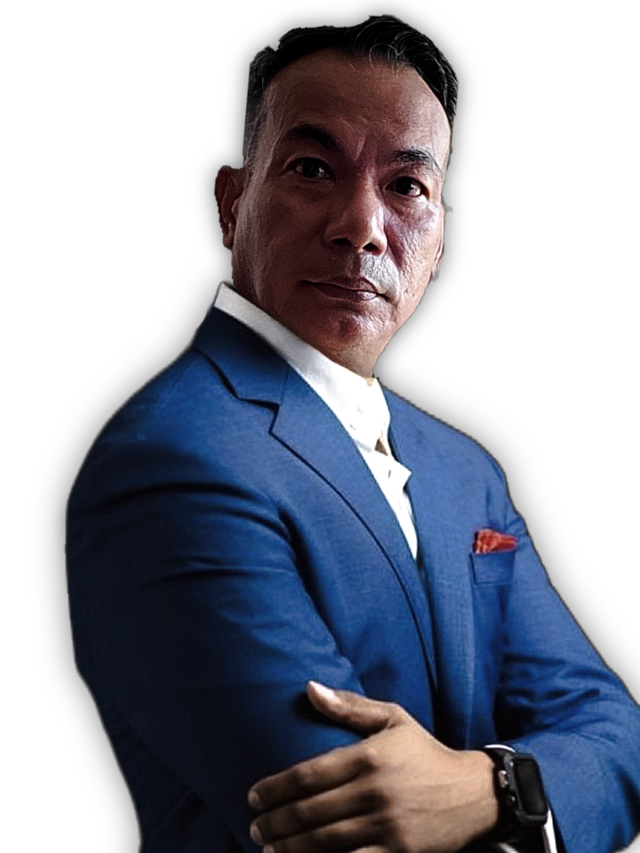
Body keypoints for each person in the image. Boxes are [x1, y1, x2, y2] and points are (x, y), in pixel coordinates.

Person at [66, 15, 640, 853]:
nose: (362, 225)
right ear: (232, 203)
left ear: (440, 238)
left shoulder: (465, 469)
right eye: (312, 168)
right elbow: (343, 825)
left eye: (406, 186)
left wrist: (493, 788)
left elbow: (616, 736)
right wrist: (529, 786)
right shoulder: (171, 460)